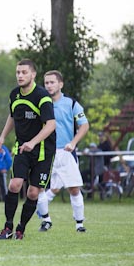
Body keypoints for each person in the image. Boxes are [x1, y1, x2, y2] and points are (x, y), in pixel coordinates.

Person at [0, 59, 56, 241]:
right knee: (14, 185)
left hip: (43, 150)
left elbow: (51, 125)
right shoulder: (14, 94)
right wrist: (2, 136)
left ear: (33, 74)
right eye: (18, 72)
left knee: (33, 192)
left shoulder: (42, 96)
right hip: (22, 148)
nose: (20, 76)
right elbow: (12, 116)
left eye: (24, 72)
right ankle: (8, 227)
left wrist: (33, 142)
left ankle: (21, 229)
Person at [37, 70, 89, 233]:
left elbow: (84, 125)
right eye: (46, 83)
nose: (49, 85)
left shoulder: (71, 104)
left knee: (73, 188)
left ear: (60, 84)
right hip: (46, 152)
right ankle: (45, 220)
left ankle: (79, 224)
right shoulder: (41, 103)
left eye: (52, 82)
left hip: (66, 153)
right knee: (39, 187)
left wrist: (73, 143)